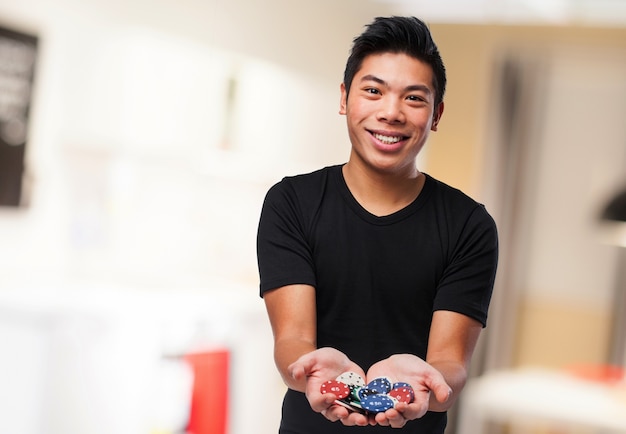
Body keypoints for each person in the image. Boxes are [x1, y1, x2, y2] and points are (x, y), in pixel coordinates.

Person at [256, 16, 498, 433]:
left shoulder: (469, 225)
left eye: (414, 99)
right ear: (345, 97)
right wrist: (313, 372)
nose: (391, 112)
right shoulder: (291, 203)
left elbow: (451, 362)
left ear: (436, 114)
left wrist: (425, 383)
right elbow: (292, 339)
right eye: (373, 91)